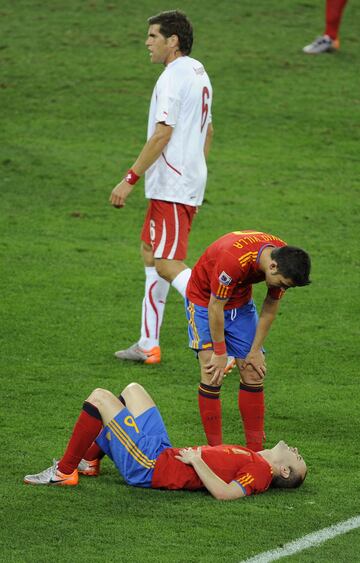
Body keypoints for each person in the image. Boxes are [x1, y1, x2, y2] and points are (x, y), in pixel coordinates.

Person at [109, 10, 213, 365]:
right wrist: (196, 169)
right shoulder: (199, 72)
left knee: (169, 263)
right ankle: (148, 342)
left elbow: (162, 133)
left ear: (173, 41)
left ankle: (222, 333)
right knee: (150, 251)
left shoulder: (172, 78)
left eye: (153, 36)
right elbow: (208, 131)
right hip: (185, 180)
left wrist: (129, 179)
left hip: (171, 184)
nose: (147, 42)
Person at [24, 383, 307, 499]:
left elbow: (226, 494)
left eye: (298, 458)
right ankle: (88, 461)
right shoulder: (255, 457)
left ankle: (64, 472)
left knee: (100, 398)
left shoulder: (261, 472)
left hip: (150, 465)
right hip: (163, 452)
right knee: (133, 390)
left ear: (284, 471)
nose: (296, 451)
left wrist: (197, 461)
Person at [185, 230, 311, 452]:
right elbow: (216, 306)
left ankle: (256, 453)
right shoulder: (233, 260)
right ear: (272, 267)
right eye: (282, 284)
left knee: (253, 370)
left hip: (240, 304)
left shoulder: (282, 256)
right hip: (205, 302)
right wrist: (221, 352)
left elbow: (270, 308)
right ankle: (216, 452)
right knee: (212, 373)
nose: (282, 289)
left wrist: (254, 351)